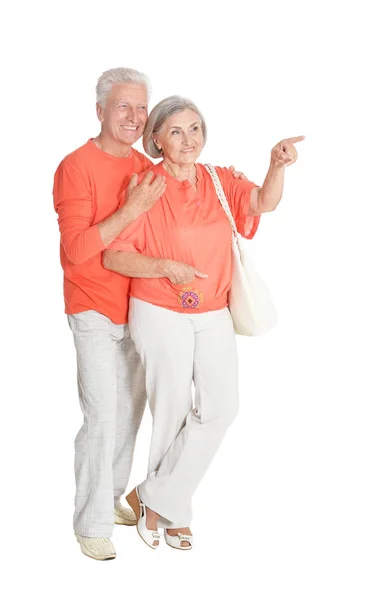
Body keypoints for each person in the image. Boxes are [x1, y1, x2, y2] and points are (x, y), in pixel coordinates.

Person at [53, 69, 246, 561]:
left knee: (130, 417)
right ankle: (91, 522)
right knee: (101, 415)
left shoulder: (148, 165)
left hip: (142, 308)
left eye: (141, 108)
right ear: (100, 111)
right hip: (94, 306)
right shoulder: (75, 167)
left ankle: (121, 496)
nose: (134, 117)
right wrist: (133, 207)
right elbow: (78, 249)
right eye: (123, 107)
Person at [103, 95, 304, 550]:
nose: (188, 139)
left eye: (195, 128)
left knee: (222, 406)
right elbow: (115, 254)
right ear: (155, 139)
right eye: (175, 131)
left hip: (212, 308)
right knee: (171, 409)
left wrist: (277, 165)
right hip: (159, 308)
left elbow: (261, 203)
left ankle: (152, 497)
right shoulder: (143, 185)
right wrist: (165, 268)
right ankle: (173, 511)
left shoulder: (218, 179)